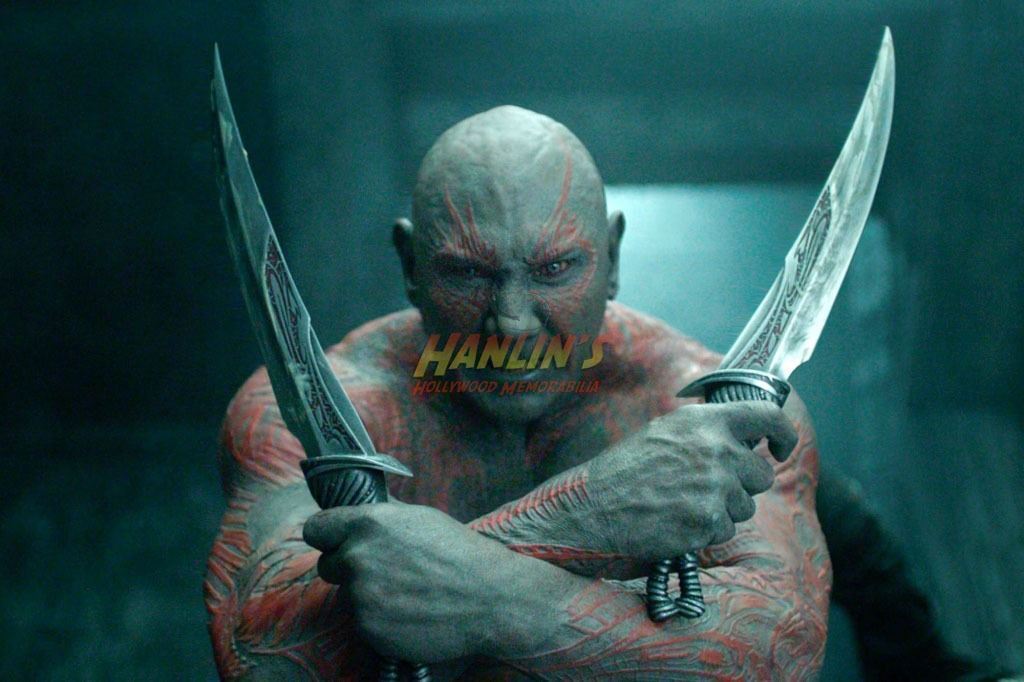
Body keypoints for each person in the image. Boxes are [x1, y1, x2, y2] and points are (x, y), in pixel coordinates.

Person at [204, 106, 976, 681]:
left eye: (554, 270)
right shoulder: (303, 414)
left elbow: (776, 657)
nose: (511, 323)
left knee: (846, 530)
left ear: (612, 258)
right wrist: (587, 516)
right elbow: (264, 663)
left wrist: (484, 592)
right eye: (467, 273)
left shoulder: (703, 412)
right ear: (411, 266)